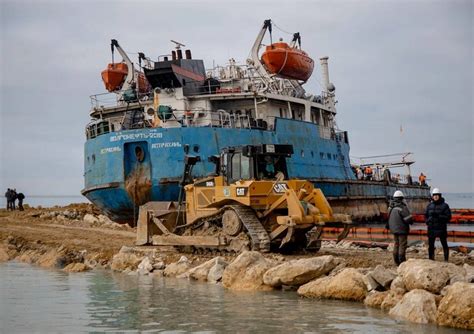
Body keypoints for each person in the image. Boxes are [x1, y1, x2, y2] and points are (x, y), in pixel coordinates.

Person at [387, 190, 413, 265]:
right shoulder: (402, 207)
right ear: (401, 198)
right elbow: (409, 219)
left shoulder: (390, 207)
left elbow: (389, 218)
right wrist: (411, 221)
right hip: (402, 230)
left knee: (396, 244)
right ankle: (402, 261)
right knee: (402, 245)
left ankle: (396, 260)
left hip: (393, 229)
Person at [425, 188, 451, 262]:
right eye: (434, 195)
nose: (435, 197)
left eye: (437, 195)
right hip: (431, 228)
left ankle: (446, 259)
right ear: (432, 196)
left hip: (441, 228)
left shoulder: (445, 206)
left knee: (444, 244)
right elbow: (426, 215)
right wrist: (427, 221)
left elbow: (448, 217)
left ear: (439, 196)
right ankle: (431, 259)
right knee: (431, 245)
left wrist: (438, 216)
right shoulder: (429, 206)